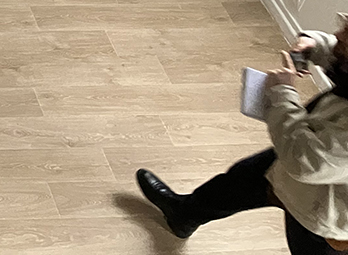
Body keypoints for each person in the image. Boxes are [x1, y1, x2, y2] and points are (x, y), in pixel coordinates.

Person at [136, 17, 348, 254]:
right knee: (238, 180)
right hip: (306, 148)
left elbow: (306, 162)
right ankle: (182, 215)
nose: (337, 35)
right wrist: (316, 45)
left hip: (324, 213)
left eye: (347, 34)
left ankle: (183, 214)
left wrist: (283, 94)